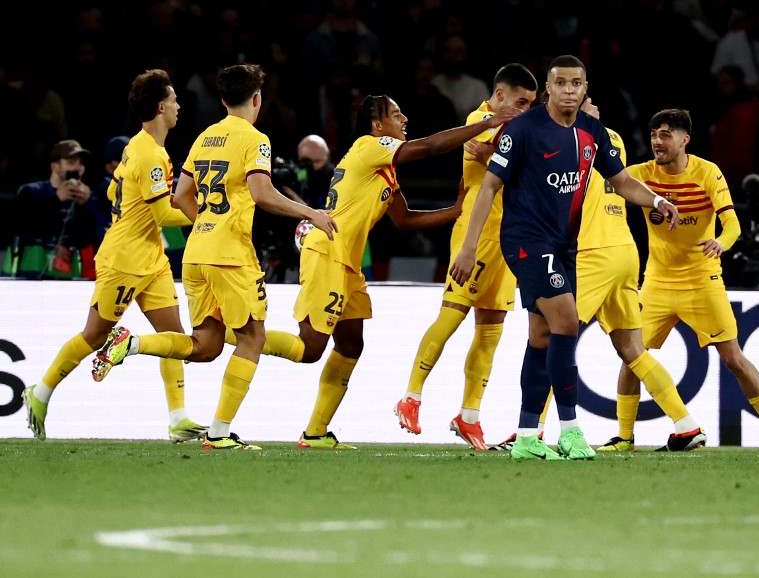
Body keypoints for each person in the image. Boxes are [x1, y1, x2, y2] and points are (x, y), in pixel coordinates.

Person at [227, 94, 511, 449]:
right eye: (396, 114)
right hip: (328, 251)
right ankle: (237, 335)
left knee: (350, 344)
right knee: (310, 348)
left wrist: (455, 211)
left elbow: (404, 220)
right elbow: (429, 147)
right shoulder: (370, 146)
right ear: (378, 125)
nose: (404, 118)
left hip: (347, 261)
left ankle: (315, 433)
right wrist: (487, 122)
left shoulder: (382, 169)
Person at [91, 64, 338, 451]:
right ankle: (219, 433)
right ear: (256, 99)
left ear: (223, 100)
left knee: (206, 345)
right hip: (231, 255)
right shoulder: (255, 139)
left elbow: (180, 196)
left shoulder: (205, 137)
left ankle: (133, 343)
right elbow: (262, 193)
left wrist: (206, 225)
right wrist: (311, 213)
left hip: (196, 253)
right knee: (252, 338)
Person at [449, 55, 681, 461]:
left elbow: (622, 181)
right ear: (549, 89)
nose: (569, 90)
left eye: (576, 84)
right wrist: (468, 247)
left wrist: (657, 200)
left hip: (562, 246)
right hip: (525, 240)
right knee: (567, 322)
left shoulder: (593, 131)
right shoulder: (522, 130)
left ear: (585, 89)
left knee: (541, 337)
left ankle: (526, 436)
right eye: (561, 83)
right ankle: (571, 430)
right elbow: (488, 187)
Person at [21, 70, 205, 442]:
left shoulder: (140, 146)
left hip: (151, 256)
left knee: (172, 335)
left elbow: (118, 197)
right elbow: (163, 215)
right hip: (123, 260)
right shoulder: (149, 154)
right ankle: (40, 392)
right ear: (160, 107)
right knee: (94, 335)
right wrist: (207, 214)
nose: (178, 106)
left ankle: (178, 418)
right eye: (173, 100)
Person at [610, 109, 759, 453]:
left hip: (702, 280)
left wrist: (721, 243)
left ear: (685, 139)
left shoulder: (707, 172)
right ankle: (625, 438)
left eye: (665, 134)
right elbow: (604, 180)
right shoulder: (641, 174)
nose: (657, 141)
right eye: (654, 134)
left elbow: (733, 225)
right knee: (631, 356)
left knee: (733, 359)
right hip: (656, 283)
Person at [522, 102, 705, 454]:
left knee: (551, 337)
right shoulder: (613, 138)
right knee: (632, 349)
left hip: (592, 251)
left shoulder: (569, 138)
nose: (587, 104)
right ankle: (686, 424)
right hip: (624, 251)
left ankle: (533, 431)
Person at [396, 64, 538, 451]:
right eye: (521, 102)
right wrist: (497, 150)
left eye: (530, 104)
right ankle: (411, 396)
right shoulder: (479, 120)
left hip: (508, 235)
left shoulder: (512, 127)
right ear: (500, 95)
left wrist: (499, 152)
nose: (526, 110)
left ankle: (469, 415)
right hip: (476, 233)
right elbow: (508, 162)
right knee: (452, 314)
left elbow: (517, 162)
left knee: (491, 329)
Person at [16, 140, 99, 278]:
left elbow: (94, 236)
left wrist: (88, 204)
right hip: (34, 273)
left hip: (69, 275)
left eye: (80, 163)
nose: (78, 168)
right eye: (71, 162)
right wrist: (56, 199)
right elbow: (24, 226)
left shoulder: (84, 198)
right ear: (55, 167)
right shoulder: (31, 192)